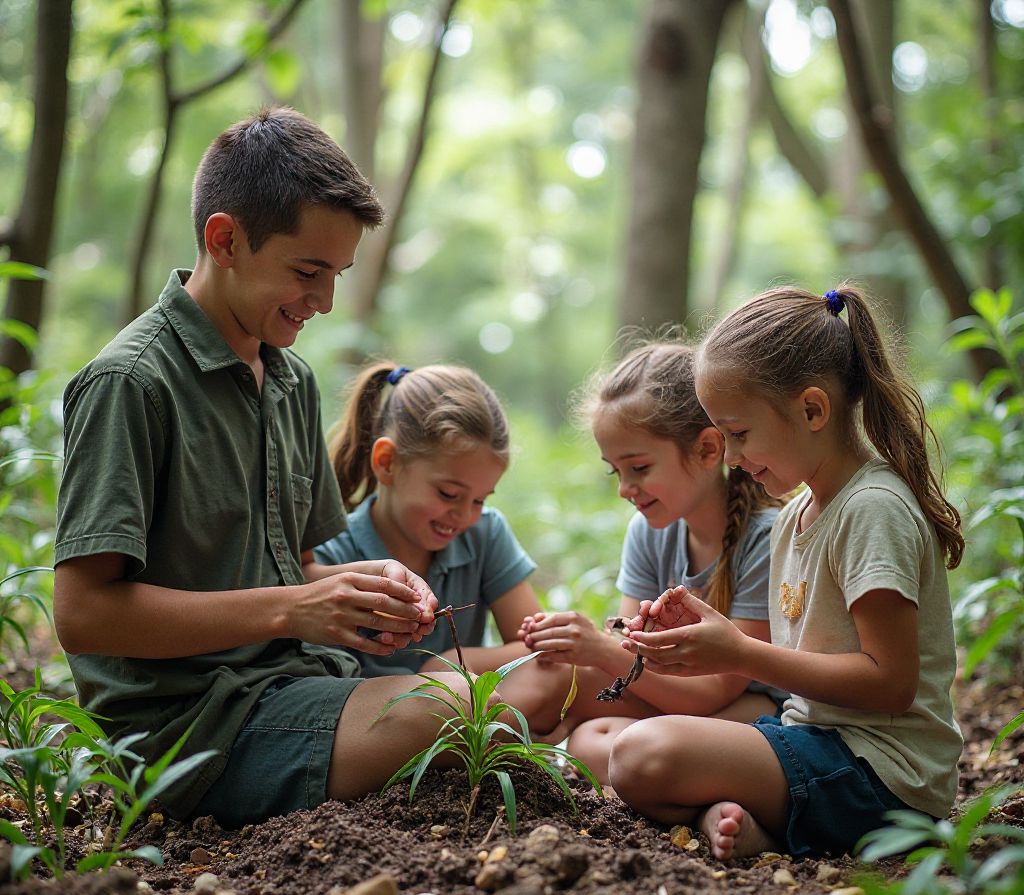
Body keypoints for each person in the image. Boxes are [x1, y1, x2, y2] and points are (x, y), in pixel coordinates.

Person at [52, 107, 480, 829]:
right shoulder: (131, 382)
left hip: (289, 685)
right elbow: (83, 614)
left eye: (337, 274)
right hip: (186, 731)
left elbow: (297, 571)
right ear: (224, 240)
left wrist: (359, 591)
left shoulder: (290, 382)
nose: (325, 301)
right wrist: (295, 607)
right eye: (307, 271)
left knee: (465, 694)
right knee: (440, 714)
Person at [610, 285, 964, 860]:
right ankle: (758, 822)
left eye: (740, 434)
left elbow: (891, 683)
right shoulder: (796, 513)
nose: (729, 457)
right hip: (812, 741)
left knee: (641, 754)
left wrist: (738, 652)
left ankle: (760, 818)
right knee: (627, 750)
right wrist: (704, 627)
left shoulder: (871, 509)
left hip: (885, 774)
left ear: (812, 410)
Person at [516, 341, 785, 783]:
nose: (625, 488)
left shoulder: (767, 539)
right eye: (614, 471)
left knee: (608, 740)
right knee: (587, 738)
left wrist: (599, 648)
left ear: (707, 450)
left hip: (755, 711)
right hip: (680, 699)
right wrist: (576, 643)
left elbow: (716, 690)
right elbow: (631, 652)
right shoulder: (649, 530)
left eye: (638, 468)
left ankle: (713, 799)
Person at [314, 361, 541, 676]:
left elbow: (537, 648)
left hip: (467, 702)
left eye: (479, 499)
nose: (464, 516)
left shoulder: (485, 533)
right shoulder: (328, 556)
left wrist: (449, 665)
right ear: (387, 463)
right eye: (448, 494)